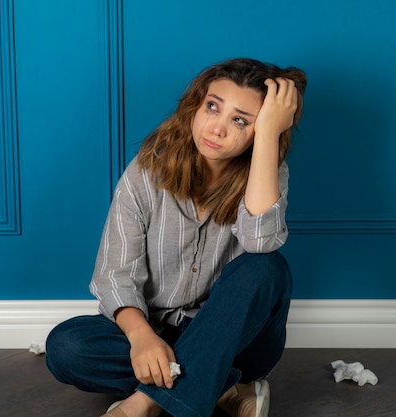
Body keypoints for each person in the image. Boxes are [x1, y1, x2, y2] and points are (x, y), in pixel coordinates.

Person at [46, 57, 306, 417]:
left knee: (267, 267)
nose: (216, 128)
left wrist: (268, 140)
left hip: (236, 342)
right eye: (213, 107)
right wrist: (140, 337)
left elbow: (260, 243)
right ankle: (221, 389)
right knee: (67, 347)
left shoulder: (267, 174)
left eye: (240, 120)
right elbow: (114, 274)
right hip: (156, 332)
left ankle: (145, 403)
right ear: (195, 105)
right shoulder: (147, 169)